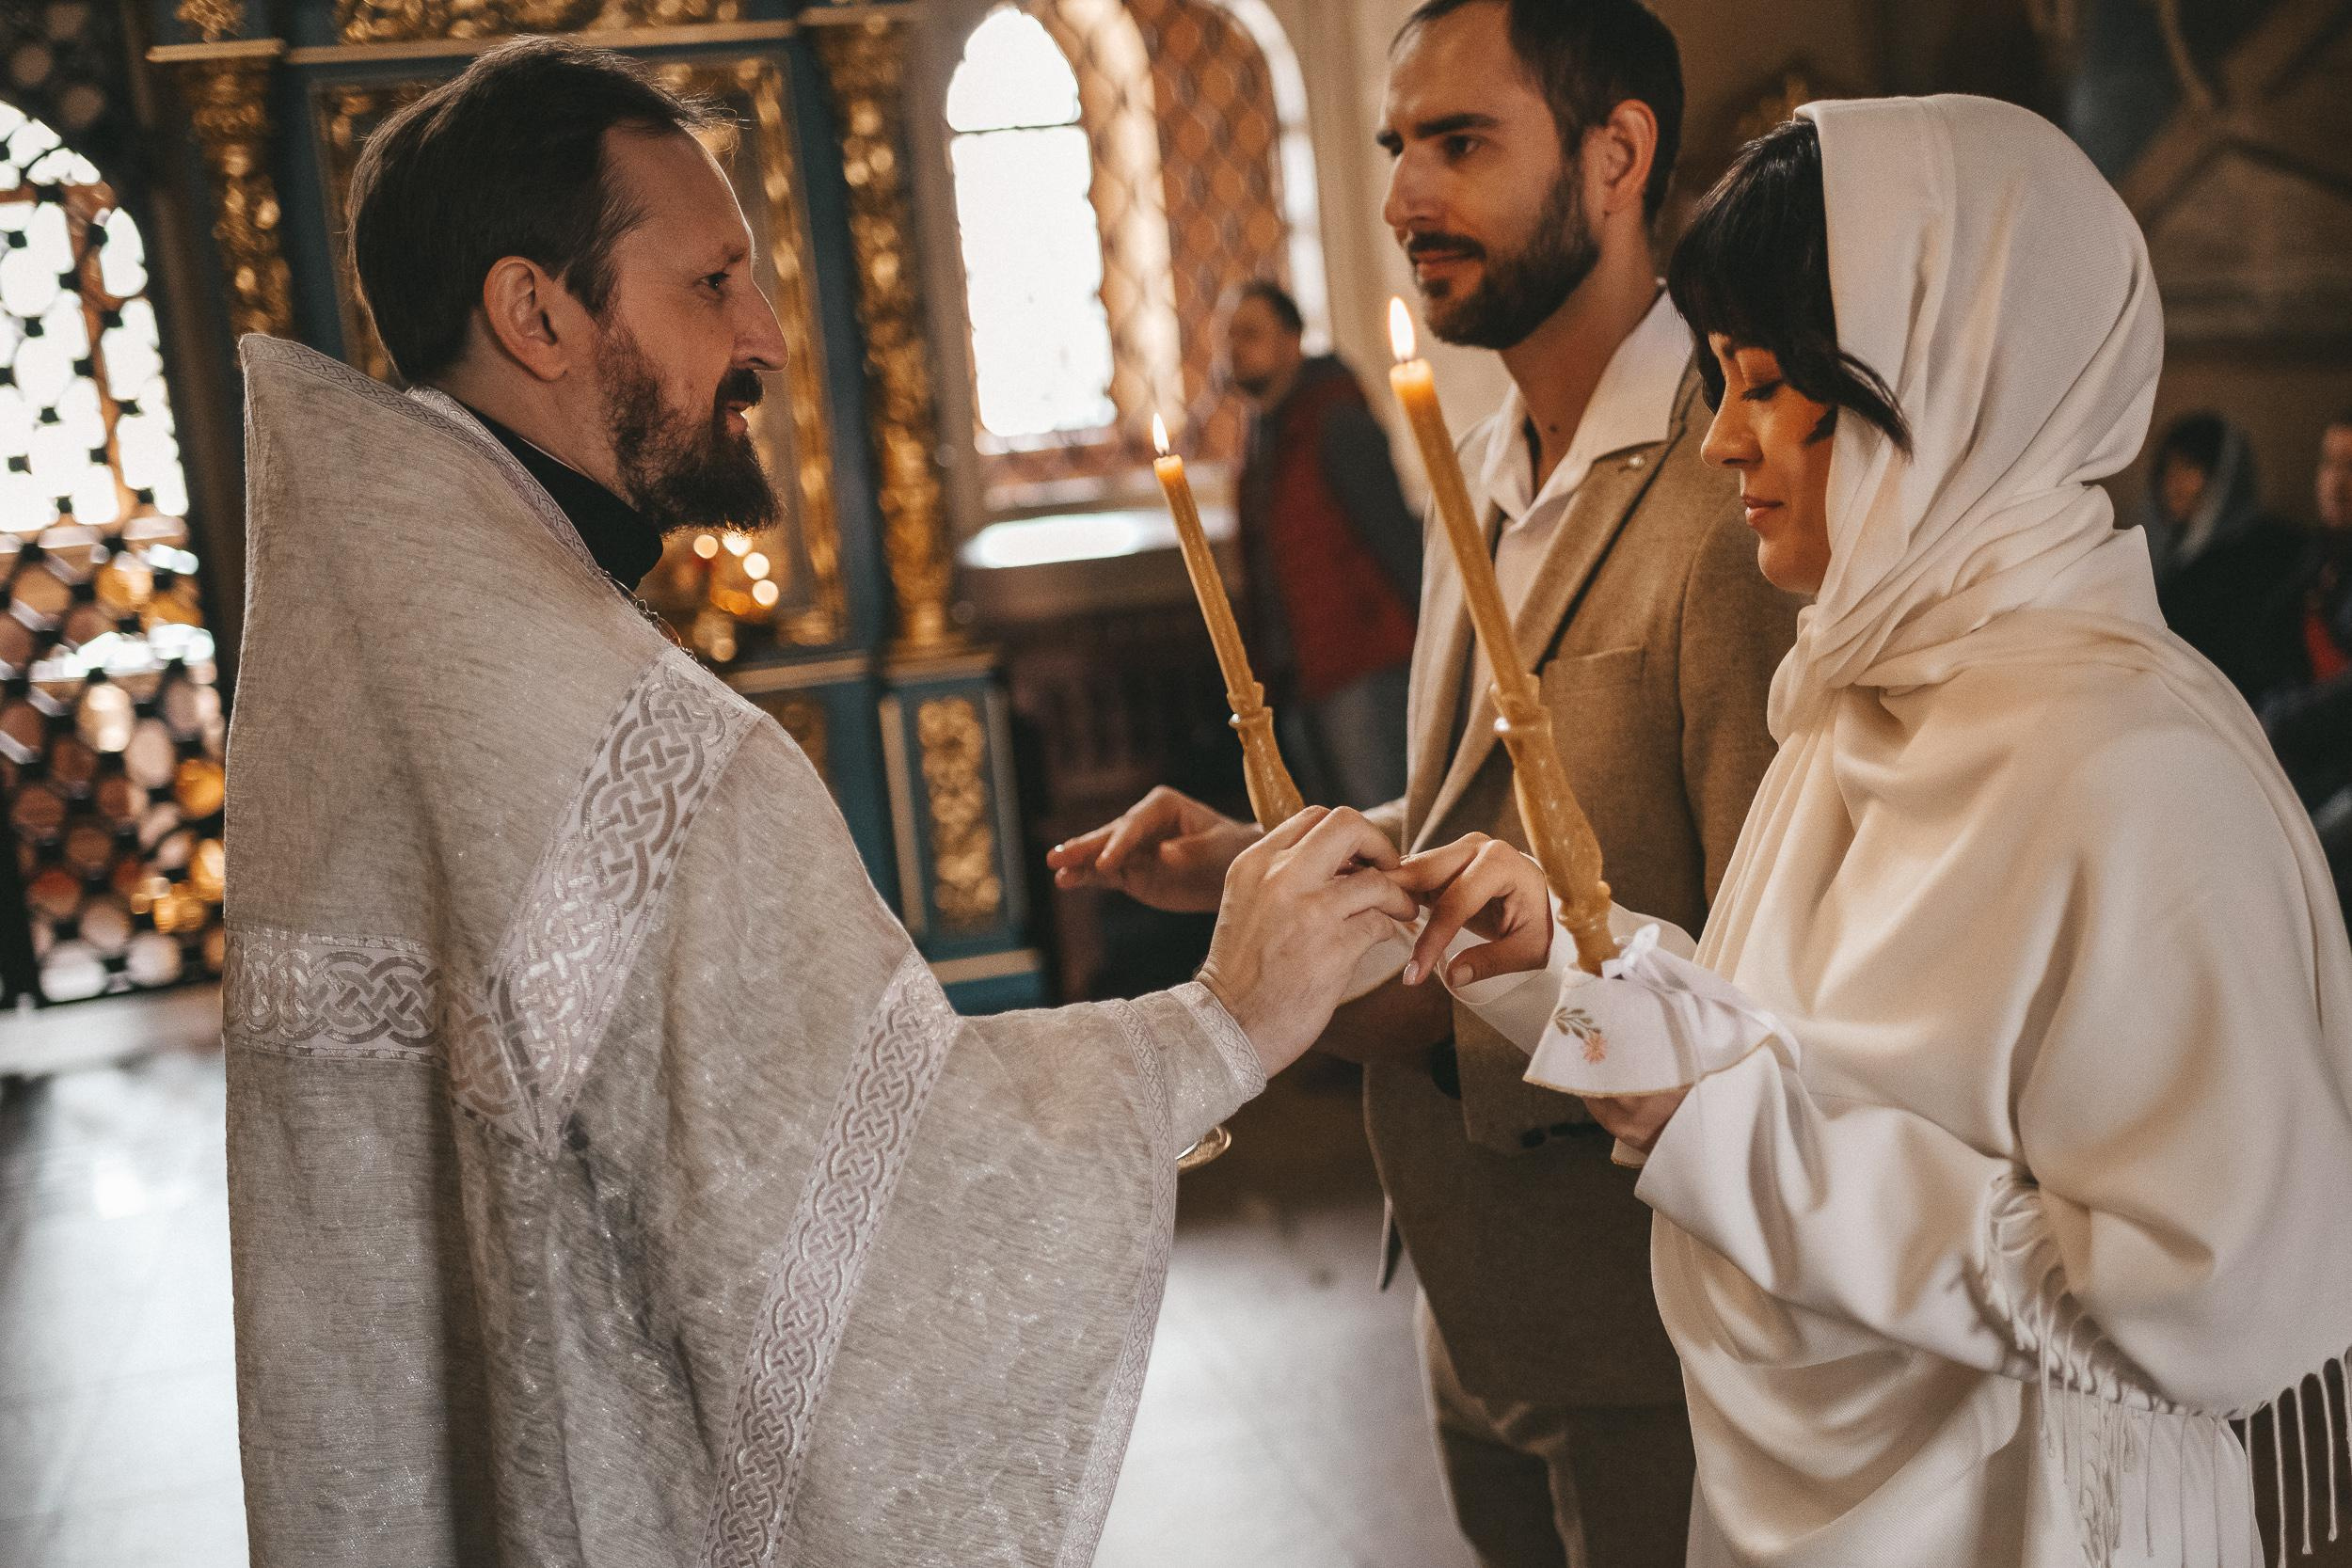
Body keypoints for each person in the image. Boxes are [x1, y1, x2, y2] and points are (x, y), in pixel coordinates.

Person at [220, 39, 1415, 1568]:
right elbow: (889, 1222)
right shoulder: (616, 733)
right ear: (536, 312)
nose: (770, 334)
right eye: (712, 280)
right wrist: (1229, 1012)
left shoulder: (392, 640)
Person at [1399, 98, 2352, 1567]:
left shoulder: (2132, 769)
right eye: (1722, 378)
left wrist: (1740, 1150)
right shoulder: (1867, 691)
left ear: (1957, 384)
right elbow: (1810, 1053)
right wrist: (1566, 974)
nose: (1721, 439)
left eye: (1773, 386)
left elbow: (2204, 1294)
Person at [1049, 2, 1799, 1561]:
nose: (1402, 197)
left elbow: (1772, 959)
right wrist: (1254, 858)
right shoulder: (1483, 459)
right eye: (1398, 145)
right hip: (1475, 1301)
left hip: (1653, 1322)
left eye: (1462, 142)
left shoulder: (1738, 487)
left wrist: (1406, 1008)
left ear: (1617, 156)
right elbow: (1483, 826)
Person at [1224, 278, 1422, 809]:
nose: (1235, 349)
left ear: (1292, 340)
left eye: (1251, 333)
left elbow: (1396, 537)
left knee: (1383, 824)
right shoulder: (1264, 438)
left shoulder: (1335, 420)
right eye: (1231, 337)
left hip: (1362, 664)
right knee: (1332, 835)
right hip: (1297, 676)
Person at [2142, 410, 2306, 701]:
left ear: (2222, 478)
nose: (2174, 482)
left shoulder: (2257, 555)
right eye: (2170, 468)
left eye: (2190, 468)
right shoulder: (2168, 553)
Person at [2263, 410, 2352, 911]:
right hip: (2305, 761)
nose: (2340, 483)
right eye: (2331, 465)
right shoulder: (2308, 565)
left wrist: (2277, 723)